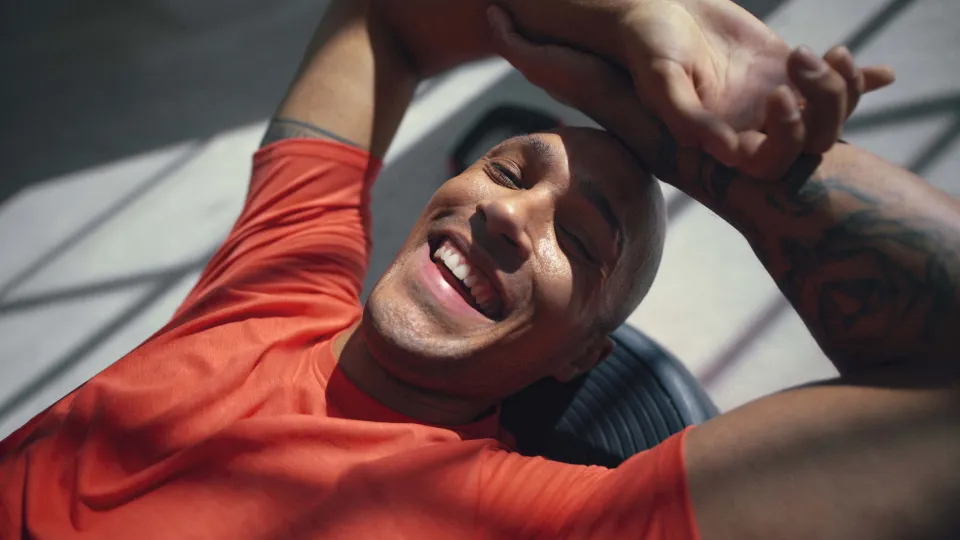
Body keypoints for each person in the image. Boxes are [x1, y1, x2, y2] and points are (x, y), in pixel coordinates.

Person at [1, 0, 958, 538]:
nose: (509, 213)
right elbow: (383, 20)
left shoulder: (528, 521)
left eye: (579, 242)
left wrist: (705, 152)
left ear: (581, 355)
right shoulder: (276, 280)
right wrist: (639, 21)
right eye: (507, 172)